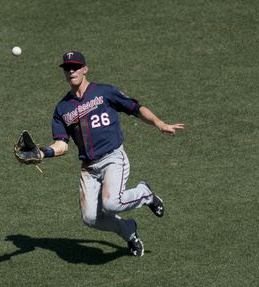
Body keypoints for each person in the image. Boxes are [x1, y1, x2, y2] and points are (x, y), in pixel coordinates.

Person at [39, 51, 185, 257]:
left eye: (75, 66)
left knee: (111, 204)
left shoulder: (104, 92)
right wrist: (42, 153)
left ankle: (146, 193)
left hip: (113, 158)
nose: (71, 70)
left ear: (85, 69)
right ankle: (129, 232)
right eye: (67, 68)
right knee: (90, 218)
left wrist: (159, 123)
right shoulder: (62, 109)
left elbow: (135, 107)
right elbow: (62, 145)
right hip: (89, 167)